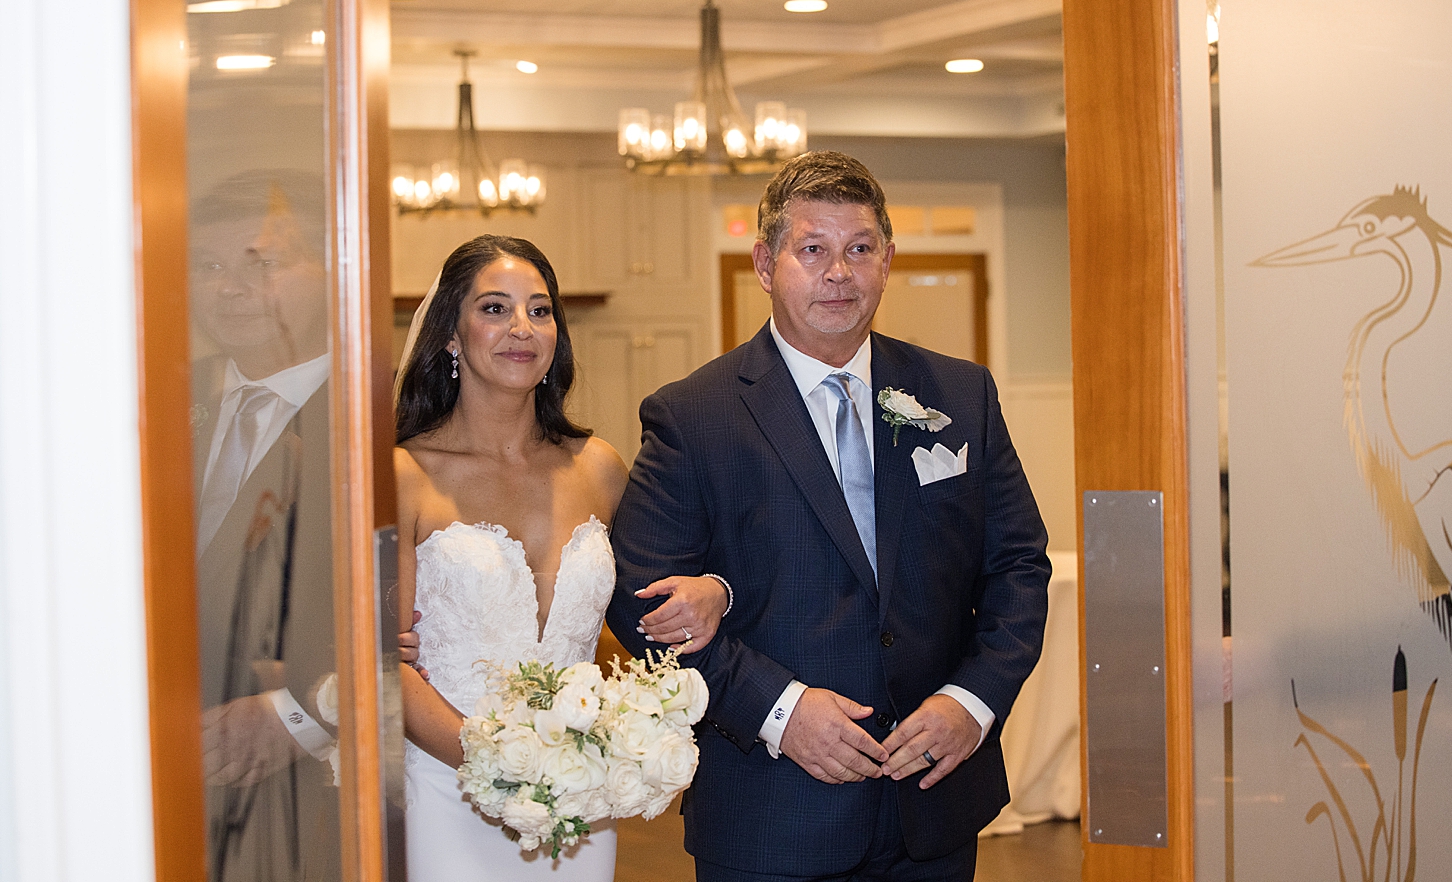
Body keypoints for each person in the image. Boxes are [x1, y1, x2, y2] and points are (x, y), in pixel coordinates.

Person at [606, 151, 1051, 881]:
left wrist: (971, 701)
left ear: (887, 260)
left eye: (859, 250)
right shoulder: (695, 415)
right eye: (812, 250)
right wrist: (779, 711)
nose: (838, 273)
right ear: (764, 262)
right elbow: (641, 600)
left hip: (932, 806)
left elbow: (1019, 568)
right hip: (771, 814)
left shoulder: (960, 393)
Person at [393, 235, 730, 881]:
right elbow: (382, 667)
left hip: (577, 799)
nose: (522, 328)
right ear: (451, 336)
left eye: (540, 310)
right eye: (494, 308)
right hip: (446, 786)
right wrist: (501, 762)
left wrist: (713, 587)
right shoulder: (407, 474)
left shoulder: (597, 468)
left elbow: (659, 597)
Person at [191, 169, 341, 881]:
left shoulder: (382, 422)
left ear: (328, 271)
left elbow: (421, 619)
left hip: (301, 801)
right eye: (208, 266)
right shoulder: (149, 397)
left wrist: (306, 717)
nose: (228, 289)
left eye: (262, 264)